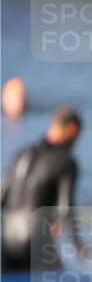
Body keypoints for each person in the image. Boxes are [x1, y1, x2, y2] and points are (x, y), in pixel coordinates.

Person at [1, 106, 84, 272]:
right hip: (35, 241)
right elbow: (65, 208)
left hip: (7, 241)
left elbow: (2, 195)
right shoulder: (66, 161)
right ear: (72, 129)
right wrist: (77, 244)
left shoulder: (22, 154)